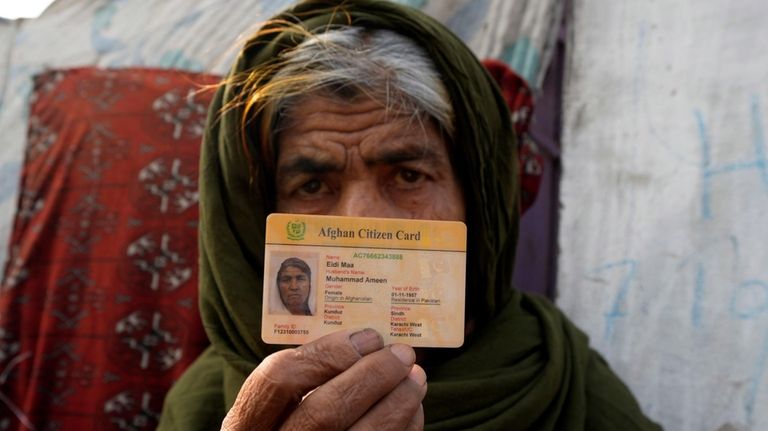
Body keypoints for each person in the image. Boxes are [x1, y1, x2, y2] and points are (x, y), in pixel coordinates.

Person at [158, 0, 662, 429]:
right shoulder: (210, 404)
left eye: (408, 175)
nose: (361, 223)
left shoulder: (563, 386)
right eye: (312, 185)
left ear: (479, 205)